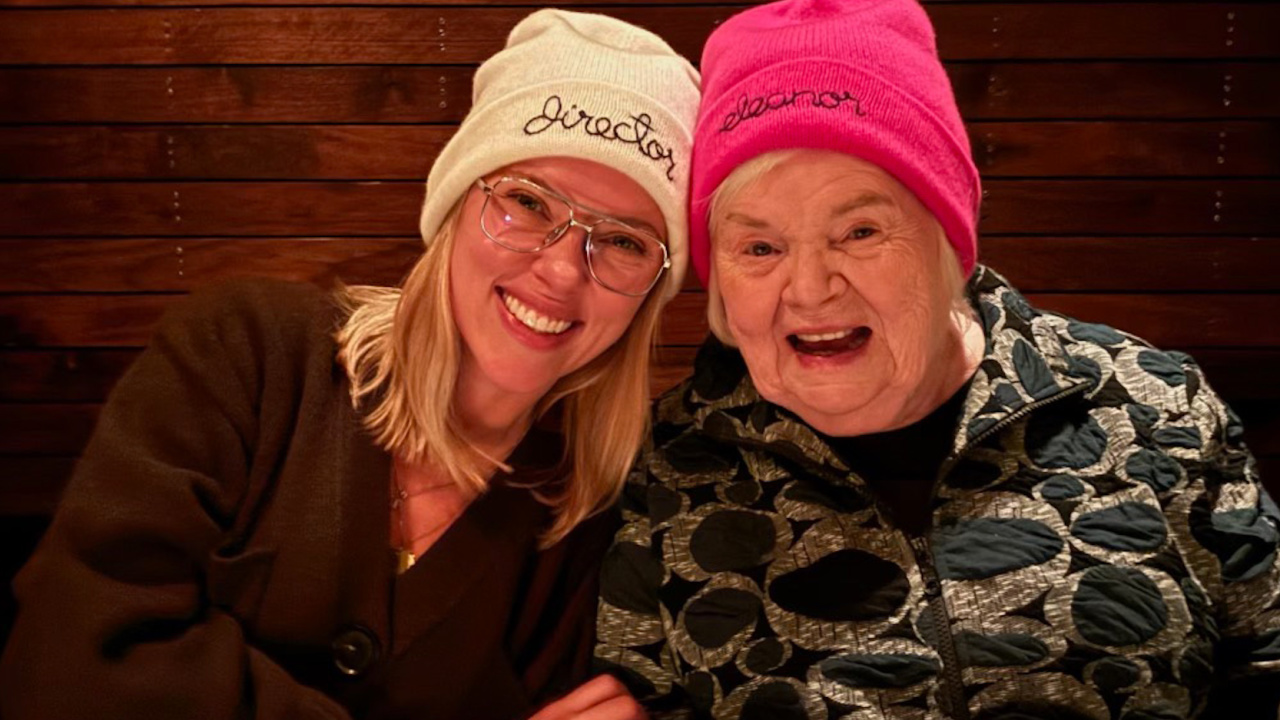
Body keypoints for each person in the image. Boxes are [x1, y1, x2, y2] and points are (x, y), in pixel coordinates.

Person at [0, 9, 697, 720]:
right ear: (455, 202)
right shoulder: (247, 356)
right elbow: (73, 663)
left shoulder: (596, 524)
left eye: (624, 242)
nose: (559, 269)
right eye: (526, 201)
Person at [594, 0, 1280, 718]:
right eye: (760, 248)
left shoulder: (1151, 407)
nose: (809, 288)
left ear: (947, 242)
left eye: (860, 230)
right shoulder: (669, 465)